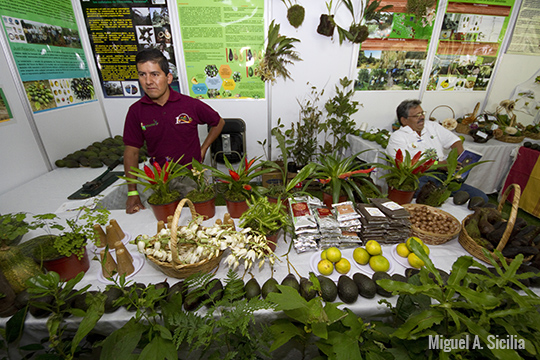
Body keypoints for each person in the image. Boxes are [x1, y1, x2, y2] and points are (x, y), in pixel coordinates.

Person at [123, 49, 225, 214]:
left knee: (197, 219)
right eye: (142, 74)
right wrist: (132, 192)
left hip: (190, 176)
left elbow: (218, 122)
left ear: (168, 77)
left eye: (155, 74)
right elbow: (131, 152)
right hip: (159, 180)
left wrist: (203, 148)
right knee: (164, 224)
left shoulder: (189, 105)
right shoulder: (136, 111)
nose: (148, 81)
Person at [386, 99, 489, 203]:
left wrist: (460, 159)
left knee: (481, 197)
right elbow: (405, 165)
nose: (422, 117)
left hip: (444, 176)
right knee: (430, 199)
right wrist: (439, 164)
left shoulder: (432, 126)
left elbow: (455, 141)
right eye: (417, 115)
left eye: (422, 113)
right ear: (404, 120)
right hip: (420, 177)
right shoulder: (398, 137)